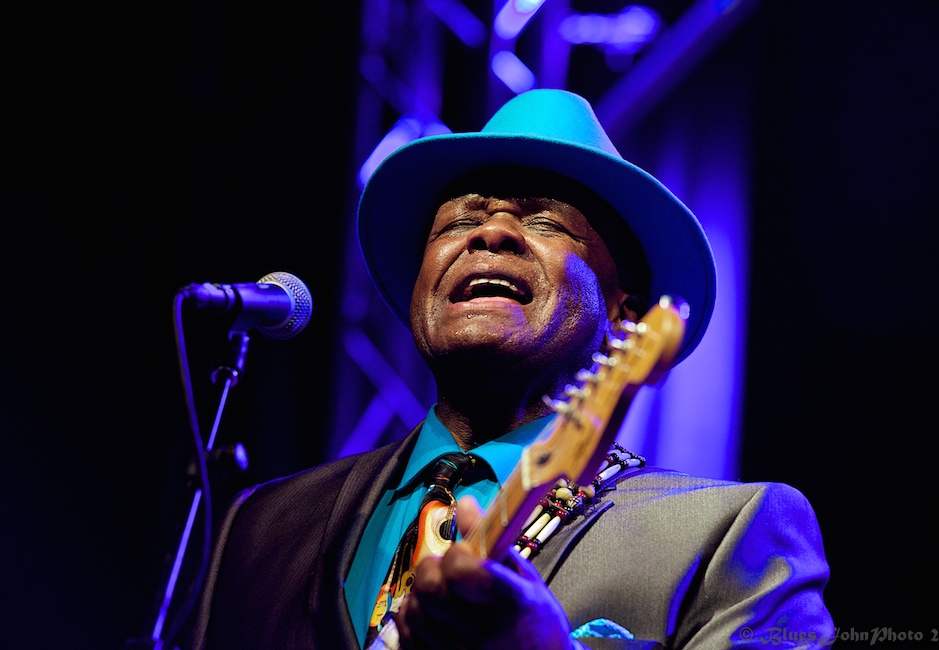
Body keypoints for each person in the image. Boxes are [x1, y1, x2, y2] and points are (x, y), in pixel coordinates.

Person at [187, 89, 833, 649]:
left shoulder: (732, 537)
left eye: (544, 219)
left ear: (626, 317)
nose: (489, 233)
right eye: (459, 219)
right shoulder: (260, 527)